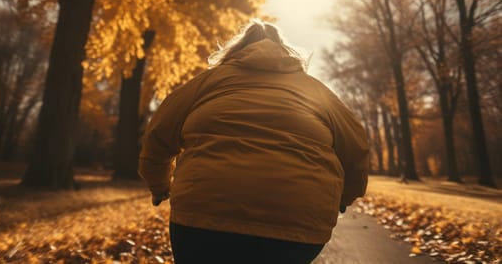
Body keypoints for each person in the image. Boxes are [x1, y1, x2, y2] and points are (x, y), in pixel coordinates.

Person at [139, 20, 369, 264]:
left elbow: (157, 138)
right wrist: (345, 197)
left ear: (236, 50)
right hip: (296, 224)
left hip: (203, 216)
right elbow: (356, 150)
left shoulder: (207, 83)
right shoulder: (316, 92)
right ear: (285, 51)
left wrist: (159, 186)